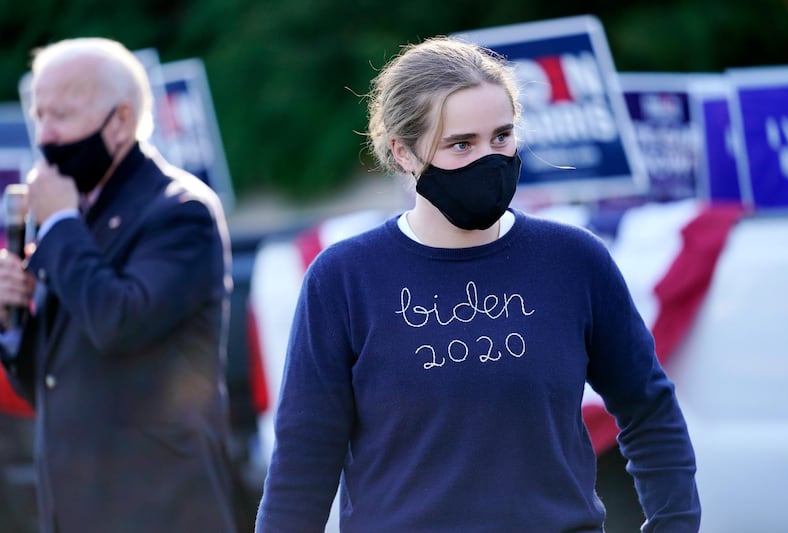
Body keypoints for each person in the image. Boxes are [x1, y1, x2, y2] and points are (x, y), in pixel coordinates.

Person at [255, 35, 701, 532]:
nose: (488, 159)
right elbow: (303, 460)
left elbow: (649, 408)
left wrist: (675, 524)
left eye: (502, 137)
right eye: (461, 144)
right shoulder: (343, 278)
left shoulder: (574, 260)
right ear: (403, 153)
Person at [0, 38, 237, 533]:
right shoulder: (72, 217)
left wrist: (61, 222)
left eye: (61, 115)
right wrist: (11, 320)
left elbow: (120, 324)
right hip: (75, 510)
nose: (45, 135)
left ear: (122, 120)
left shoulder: (179, 211)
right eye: (38, 115)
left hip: (162, 508)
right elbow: (50, 384)